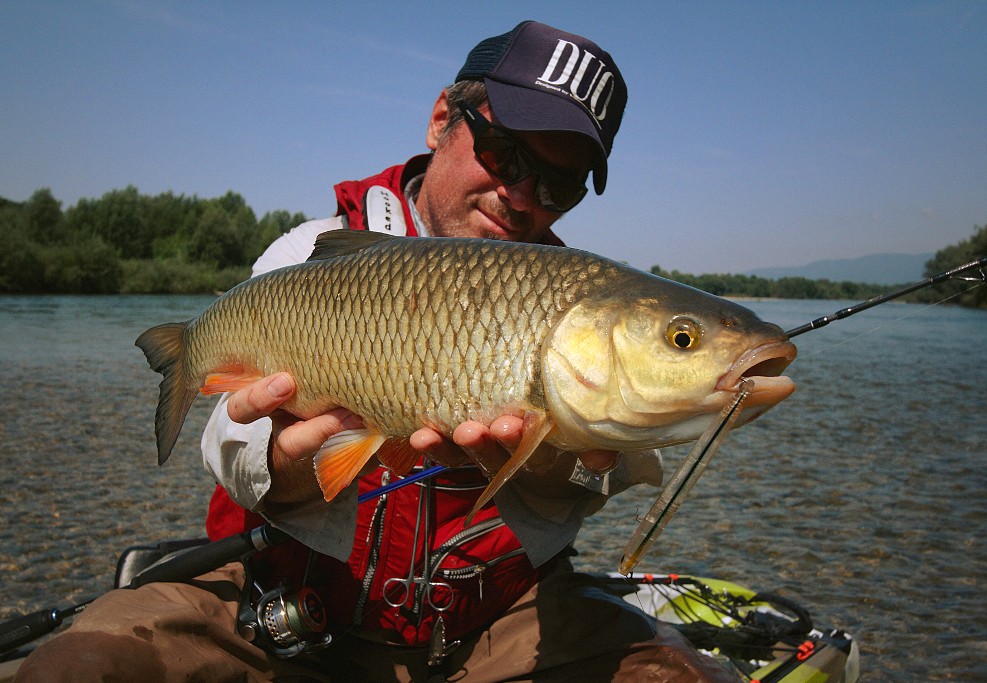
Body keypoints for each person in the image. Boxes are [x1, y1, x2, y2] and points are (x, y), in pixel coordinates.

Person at [16, 21, 736, 683]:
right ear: (440, 120)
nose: (520, 194)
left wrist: (555, 455)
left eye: (557, 183)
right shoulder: (307, 254)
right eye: (504, 151)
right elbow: (227, 434)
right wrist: (291, 468)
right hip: (285, 603)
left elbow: (614, 475)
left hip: (495, 624)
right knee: (80, 664)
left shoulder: (581, 300)